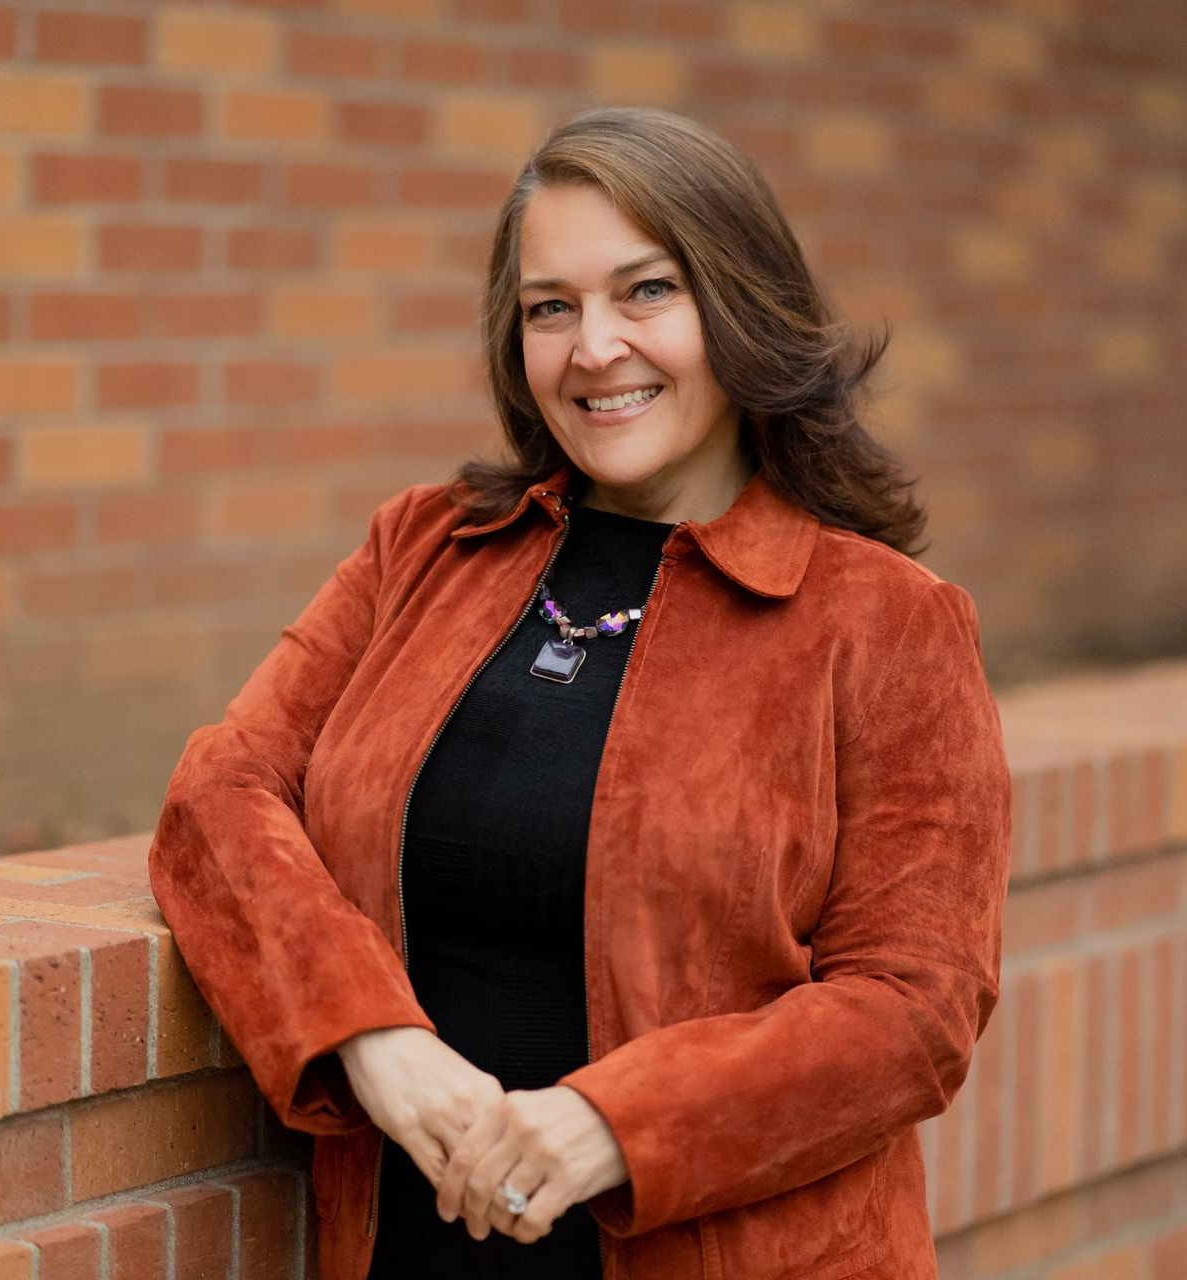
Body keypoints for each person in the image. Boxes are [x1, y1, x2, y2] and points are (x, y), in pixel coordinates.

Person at [147, 105, 1012, 1280]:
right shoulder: (427, 547)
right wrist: (369, 1033)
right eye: (550, 307)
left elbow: (914, 1008)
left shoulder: (885, 620)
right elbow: (221, 789)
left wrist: (616, 1121)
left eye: (646, 291)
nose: (594, 347)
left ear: (740, 303)